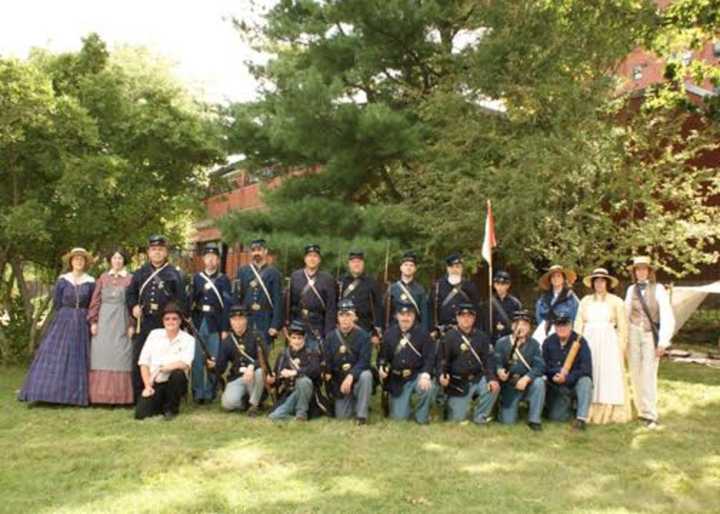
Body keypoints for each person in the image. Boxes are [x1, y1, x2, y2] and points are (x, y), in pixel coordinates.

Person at [19, 248, 95, 406]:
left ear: (85, 263)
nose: (79, 262)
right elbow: (57, 303)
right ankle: (44, 392)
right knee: (54, 354)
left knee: (77, 355)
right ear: (71, 262)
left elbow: (93, 303)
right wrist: (63, 317)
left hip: (82, 320)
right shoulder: (63, 280)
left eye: (81, 260)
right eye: (76, 259)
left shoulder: (90, 281)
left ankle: (73, 396)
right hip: (64, 319)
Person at [126, 235, 186, 402]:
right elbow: (130, 294)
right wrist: (133, 307)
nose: (157, 252)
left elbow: (181, 300)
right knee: (140, 359)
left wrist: (173, 321)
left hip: (164, 325)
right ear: (148, 252)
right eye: (153, 249)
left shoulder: (174, 274)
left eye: (160, 249)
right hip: (144, 322)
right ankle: (140, 396)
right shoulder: (140, 272)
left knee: (164, 361)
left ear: (165, 252)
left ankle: (165, 398)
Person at [624, 256, 675, 429]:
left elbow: (667, 316)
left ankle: (651, 413)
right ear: (634, 272)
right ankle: (641, 410)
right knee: (635, 372)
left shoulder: (659, 289)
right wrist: (623, 340)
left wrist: (663, 342)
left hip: (649, 335)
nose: (641, 272)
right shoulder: (631, 290)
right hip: (633, 334)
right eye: (638, 269)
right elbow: (625, 314)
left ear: (649, 271)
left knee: (649, 373)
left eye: (644, 269)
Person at [575, 268, 631, 424]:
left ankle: (609, 411)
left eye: (602, 281)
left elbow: (623, 326)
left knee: (608, 374)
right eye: (596, 281)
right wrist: (577, 343)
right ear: (593, 284)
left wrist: (621, 347)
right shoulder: (585, 301)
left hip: (608, 341)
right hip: (589, 339)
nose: (599, 284)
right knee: (591, 370)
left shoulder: (616, 301)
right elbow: (578, 323)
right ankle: (587, 408)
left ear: (607, 283)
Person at [438, 303, 499, 424]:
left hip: (477, 378)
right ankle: (452, 408)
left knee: (493, 387)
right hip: (458, 383)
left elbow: (488, 360)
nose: (466, 319)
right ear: (457, 318)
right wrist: (441, 375)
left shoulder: (482, 337)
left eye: (469, 316)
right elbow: (441, 360)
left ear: (474, 318)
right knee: (456, 420)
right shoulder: (448, 337)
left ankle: (480, 417)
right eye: (462, 316)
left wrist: (492, 378)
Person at [87, 248, 134, 405]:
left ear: (124, 261)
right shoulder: (103, 278)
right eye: (114, 258)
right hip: (104, 320)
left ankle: (121, 397)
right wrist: (93, 321)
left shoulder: (130, 279)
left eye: (120, 258)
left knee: (121, 355)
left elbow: (133, 303)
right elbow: (95, 300)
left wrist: (131, 324)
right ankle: (100, 397)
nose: (117, 261)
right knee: (101, 354)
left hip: (122, 320)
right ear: (110, 260)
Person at [134, 302, 195, 420]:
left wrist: (161, 369)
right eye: (167, 319)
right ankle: (160, 405)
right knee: (140, 414)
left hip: (174, 383)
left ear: (180, 321)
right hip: (156, 383)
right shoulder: (154, 335)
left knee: (178, 374)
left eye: (174, 319)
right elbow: (143, 363)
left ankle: (171, 409)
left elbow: (185, 364)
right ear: (163, 321)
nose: (170, 322)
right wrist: (147, 386)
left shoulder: (188, 339)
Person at [377, 303, 436, 424]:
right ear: (397, 316)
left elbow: (430, 358)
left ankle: (422, 416)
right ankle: (404, 409)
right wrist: (381, 367)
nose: (405, 318)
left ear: (414, 317)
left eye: (409, 315)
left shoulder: (423, 334)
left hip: (416, 376)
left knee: (428, 387)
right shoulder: (389, 334)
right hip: (398, 379)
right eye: (402, 315)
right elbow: (382, 357)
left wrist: (425, 375)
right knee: (399, 419)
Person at [189, 243, 232, 403]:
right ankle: (198, 391)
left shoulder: (224, 279)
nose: (211, 260)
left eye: (214, 258)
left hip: (216, 322)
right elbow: (191, 300)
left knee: (213, 358)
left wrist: (225, 328)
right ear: (204, 259)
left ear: (218, 260)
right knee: (197, 359)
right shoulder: (197, 278)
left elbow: (227, 304)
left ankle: (210, 391)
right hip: (200, 321)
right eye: (208, 257)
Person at [323, 299, 373, 424]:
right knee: (342, 417)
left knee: (366, 375)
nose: (344, 319)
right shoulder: (330, 338)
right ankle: (355, 402)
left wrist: (351, 376)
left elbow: (364, 361)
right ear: (337, 317)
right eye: (341, 315)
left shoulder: (364, 337)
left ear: (354, 316)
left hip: (357, 381)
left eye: (348, 315)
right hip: (340, 382)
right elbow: (327, 362)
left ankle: (361, 416)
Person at [495, 310, 545, 431]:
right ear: (512, 326)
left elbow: (539, 366)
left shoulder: (534, 344)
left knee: (539, 383)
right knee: (507, 422)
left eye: (525, 325)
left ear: (529, 328)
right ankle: (501, 408)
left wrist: (527, 378)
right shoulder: (501, 343)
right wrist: (499, 371)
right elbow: (496, 362)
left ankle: (534, 419)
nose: (521, 327)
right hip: (509, 385)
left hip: (526, 384)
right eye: (518, 324)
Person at [543, 315, 593, 430]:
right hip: (557, 387)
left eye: (565, 325)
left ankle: (581, 419)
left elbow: (586, 369)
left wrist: (567, 378)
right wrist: (555, 373)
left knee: (586, 381)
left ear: (571, 326)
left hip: (574, 383)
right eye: (559, 325)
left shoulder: (581, 341)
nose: (562, 328)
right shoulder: (548, 342)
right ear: (554, 327)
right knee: (557, 418)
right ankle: (569, 408)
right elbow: (543, 366)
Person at [215, 304, 267, 416]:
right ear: (230, 321)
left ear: (246, 320)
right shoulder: (227, 341)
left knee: (260, 372)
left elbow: (264, 357)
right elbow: (221, 367)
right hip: (237, 377)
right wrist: (213, 364)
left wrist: (252, 366)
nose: (237, 323)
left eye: (240, 319)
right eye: (234, 320)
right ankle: (250, 401)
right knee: (227, 404)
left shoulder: (257, 336)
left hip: (254, 376)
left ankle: (254, 406)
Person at [234, 239, 283, 349]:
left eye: (259, 250)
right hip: (247, 319)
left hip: (265, 319)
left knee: (264, 354)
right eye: (253, 250)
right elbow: (237, 298)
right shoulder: (243, 271)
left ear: (265, 251)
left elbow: (278, 301)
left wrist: (275, 325)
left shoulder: (274, 273)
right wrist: (237, 321)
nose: (256, 253)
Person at [286, 244, 337, 350]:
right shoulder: (295, 276)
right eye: (309, 256)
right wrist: (287, 324)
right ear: (305, 259)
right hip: (298, 322)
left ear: (319, 260)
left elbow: (331, 308)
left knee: (316, 357)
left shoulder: (327, 279)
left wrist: (329, 332)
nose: (312, 259)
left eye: (315, 256)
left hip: (317, 325)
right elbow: (288, 302)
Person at [267, 321, 321, 421]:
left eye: (299, 338)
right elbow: (277, 376)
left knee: (304, 381)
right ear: (289, 338)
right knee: (273, 416)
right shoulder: (283, 355)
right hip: (289, 394)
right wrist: (272, 379)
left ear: (304, 338)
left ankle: (301, 413)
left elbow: (316, 370)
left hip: (308, 396)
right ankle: (297, 419)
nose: (296, 341)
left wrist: (295, 372)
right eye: (294, 338)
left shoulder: (311, 353)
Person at [337, 250, 383, 345]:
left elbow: (378, 308)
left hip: (365, 328)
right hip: (344, 327)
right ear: (349, 264)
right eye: (353, 262)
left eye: (359, 262)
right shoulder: (340, 282)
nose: (356, 264)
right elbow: (334, 306)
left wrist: (375, 333)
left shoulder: (372, 283)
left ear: (363, 264)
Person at [430, 253, 481, 338]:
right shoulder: (438, 286)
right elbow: (431, 308)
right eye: (452, 267)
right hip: (442, 333)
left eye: (457, 267)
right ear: (447, 268)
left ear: (462, 268)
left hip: (464, 332)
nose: (455, 270)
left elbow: (476, 309)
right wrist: (432, 329)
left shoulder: (469, 286)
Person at [384, 251, 431, 332]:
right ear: (401, 267)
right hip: (395, 329)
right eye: (405, 265)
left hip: (415, 330)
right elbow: (385, 312)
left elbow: (424, 315)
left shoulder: (420, 290)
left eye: (411, 265)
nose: (408, 268)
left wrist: (424, 333)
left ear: (415, 269)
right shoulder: (392, 289)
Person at [533, 264, 580, 345]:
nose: (555, 279)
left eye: (558, 276)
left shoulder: (571, 297)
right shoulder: (544, 298)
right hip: (545, 329)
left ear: (563, 279)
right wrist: (546, 324)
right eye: (553, 277)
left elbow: (576, 315)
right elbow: (539, 314)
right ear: (550, 280)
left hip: (564, 329)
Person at [487, 270, 523, 342]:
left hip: (509, 339)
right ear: (494, 285)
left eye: (503, 284)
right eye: (497, 283)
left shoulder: (515, 303)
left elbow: (519, 323)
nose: (500, 286)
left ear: (508, 285)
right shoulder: (488, 303)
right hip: (492, 339)